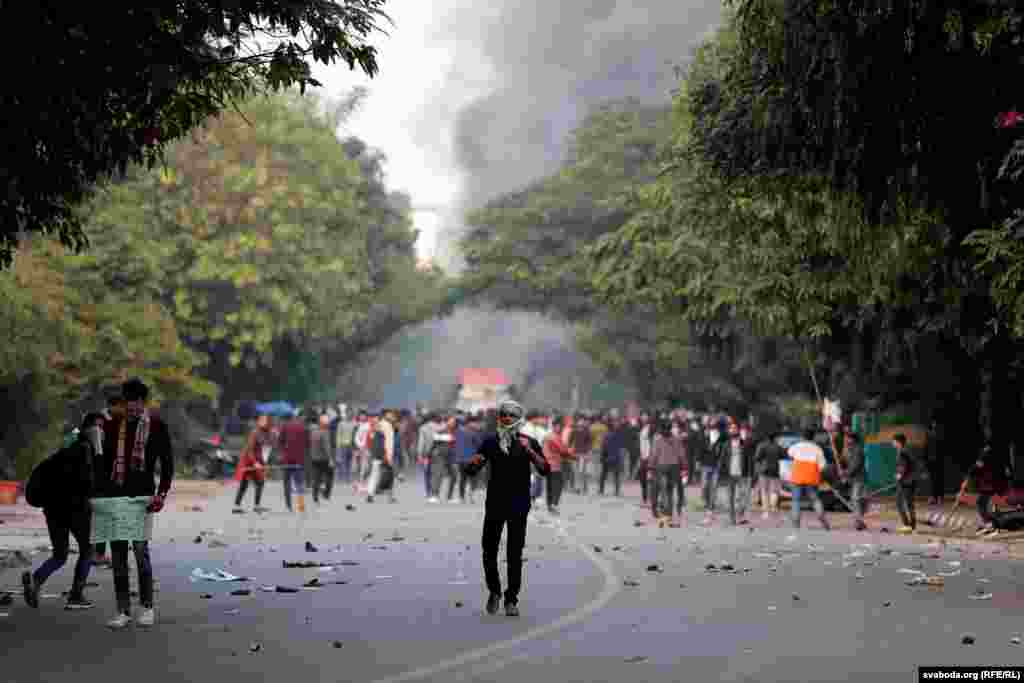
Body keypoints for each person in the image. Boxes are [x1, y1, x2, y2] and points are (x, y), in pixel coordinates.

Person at [95, 378, 173, 629]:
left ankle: (147, 607)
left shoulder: (157, 426)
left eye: (138, 402)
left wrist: (162, 493)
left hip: (142, 497)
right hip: (115, 496)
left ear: (144, 402)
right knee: (118, 557)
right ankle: (123, 610)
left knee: (140, 553)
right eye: (129, 402)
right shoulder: (114, 425)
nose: (133, 407)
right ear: (124, 402)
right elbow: (103, 462)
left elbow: (167, 463)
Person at [463, 400, 550, 617]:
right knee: (489, 550)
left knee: (514, 553)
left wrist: (530, 452)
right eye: (503, 415)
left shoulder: (528, 442)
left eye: (512, 415)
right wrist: (472, 463)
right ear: (499, 418)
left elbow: (545, 469)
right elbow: (472, 470)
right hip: (495, 503)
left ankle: (511, 599)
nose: (507, 418)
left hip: (519, 504)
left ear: (519, 418)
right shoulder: (491, 442)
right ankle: (494, 591)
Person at [22, 412, 105, 611]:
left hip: (53, 510)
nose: (101, 431)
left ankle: (36, 580)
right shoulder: (87, 450)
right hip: (76, 510)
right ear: (90, 429)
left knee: (60, 554)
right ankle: (76, 595)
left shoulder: (67, 448)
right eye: (99, 427)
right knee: (87, 550)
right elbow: (89, 481)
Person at [958, 443, 1010, 534]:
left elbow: (975, 468)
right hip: (998, 482)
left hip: (991, 483)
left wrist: (966, 480)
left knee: (981, 502)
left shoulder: (985, 455)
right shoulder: (997, 454)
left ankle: (990, 524)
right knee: (989, 503)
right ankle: (993, 522)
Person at [787, 429, 830, 530]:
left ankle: (796, 523)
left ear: (802, 437)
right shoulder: (817, 449)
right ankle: (821, 517)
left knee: (796, 500)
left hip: (797, 476)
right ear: (813, 437)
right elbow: (823, 466)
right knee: (815, 499)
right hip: (812, 477)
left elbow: (789, 454)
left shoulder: (796, 446)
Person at [233, 412, 274, 513]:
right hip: (248, 461)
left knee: (260, 482)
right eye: (263, 420)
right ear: (259, 422)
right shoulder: (255, 433)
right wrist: (255, 463)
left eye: (267, 421)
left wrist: (265, 464)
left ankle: (257, 505)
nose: (265, 423)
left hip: (258, 462)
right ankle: (236, 506)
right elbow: (250, 450)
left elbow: (266, 450)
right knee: (244, 484)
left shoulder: (268, 434)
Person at [648, 419, 687, 525]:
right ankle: (668, 514)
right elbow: (681, 454)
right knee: (669, 491)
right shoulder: (676, 439)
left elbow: (654, 455)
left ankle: (665, 513)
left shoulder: (658, 439)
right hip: (673, 468)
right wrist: (684, 467)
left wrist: (650, 467)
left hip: (662, 467)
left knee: (664, 490)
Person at [279, 410, 310, 513]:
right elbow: (307, 444)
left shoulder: (284, 427)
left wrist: (283, 452)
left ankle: (289, 506)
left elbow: (280, 442)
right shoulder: (303, 427)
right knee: (299, 483)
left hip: (287, 459)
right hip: (299, 459)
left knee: (287, 482)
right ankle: (301, 506)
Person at [543, 416, 574, 515]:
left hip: (547, 464)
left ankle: (550, 505)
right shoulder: (554, 437)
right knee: (557, 485)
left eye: (560, 426)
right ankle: (554, 504)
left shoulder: (548, 436)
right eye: (558, 426)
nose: (560, 428)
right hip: (554, 465)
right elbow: (563, 450)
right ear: (554, 426)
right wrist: (572, 455)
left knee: (550, 486)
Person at [753, 432, 784, 518]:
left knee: (764, 490)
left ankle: (765, 511)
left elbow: (757, 457)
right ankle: (773, 507)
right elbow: (782, 456)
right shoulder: (778, 446)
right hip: (775, 470)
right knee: (774, 490)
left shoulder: (761, 445)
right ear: (774, 438)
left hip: (764, 470)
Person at [428, 416, 456, 503]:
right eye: (451, 421)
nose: (452, 423)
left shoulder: (455, 431)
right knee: (437, 475)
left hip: (451, 456)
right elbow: (434, 442)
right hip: (440, 456)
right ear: (446, 422)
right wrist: (430, 454)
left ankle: (449, 497)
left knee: (454, 475)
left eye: (454, 422)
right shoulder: (441, 431)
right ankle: (434, 495)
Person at [843, 430, 867, 530]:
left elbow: (855, 465)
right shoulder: (849, 449)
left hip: (859, 478)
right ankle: (859, 521)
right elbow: (846, 462)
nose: (846, 440)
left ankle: (859, 522)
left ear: (852, 439)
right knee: (855, 500)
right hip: (853, 479)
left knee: (856, 499)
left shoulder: (858, 450)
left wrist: (846, 473)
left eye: (847, 438)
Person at [893, 433, 917, 533]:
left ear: (898, 442)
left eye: (893, 441)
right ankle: (912, 525)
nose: (892, 443)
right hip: (910, 480)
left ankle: (907, 525)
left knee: (899, 503)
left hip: (905, 482)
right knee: (909, 504)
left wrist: (899, 475)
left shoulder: (902, 452)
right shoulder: (907, 450)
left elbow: (903, 466)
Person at [598, 417, 628, 497]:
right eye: (614, 423)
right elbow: (603, 446)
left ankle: (616, 490)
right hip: (608, 457)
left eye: (617, 423)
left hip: (615, 457)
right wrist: (602, 457)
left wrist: (621, 457)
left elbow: (622, 447)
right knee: (605, 475)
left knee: (615, 475)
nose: (616, 424)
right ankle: (602, 489)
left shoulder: (619, 434)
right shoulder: (607, 434)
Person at [310, 414, 334, 504]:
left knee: (316, 478)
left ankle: (315, 496)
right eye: (327, 422)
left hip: (314, 458)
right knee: (329, 476)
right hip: (324, 459)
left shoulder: (314, 432)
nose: (328, 423)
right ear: (324, 423)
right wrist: (330, 459)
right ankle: (326, 494)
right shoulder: (325, 432)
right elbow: (327, 447)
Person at [569, 415, 594, 494]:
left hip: (583, 454)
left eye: (582, 421)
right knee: (576, 472)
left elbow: (590, 443)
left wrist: (589, 453)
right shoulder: (574, 431)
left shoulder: (587, 431)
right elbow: (570, 442)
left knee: (582, 472)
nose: (581, 422)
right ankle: (578, 488)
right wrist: (569, 450)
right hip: (575, 454)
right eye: (579, 421)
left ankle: (583, 487)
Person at [925, 421, 944, 506]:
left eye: (935, 424)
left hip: (939, 461)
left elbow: (942, 450)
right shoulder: (928, 436)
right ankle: (933, 497)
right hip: (930, 461)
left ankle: (939, 497)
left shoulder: (940, 435)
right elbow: (925, 449)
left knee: (939, 479)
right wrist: (925, 460)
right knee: (932, 480)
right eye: (932, 424)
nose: (934, 425)